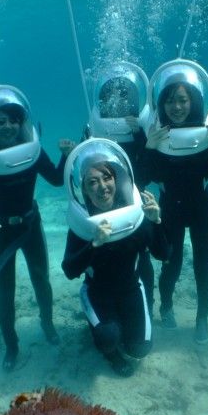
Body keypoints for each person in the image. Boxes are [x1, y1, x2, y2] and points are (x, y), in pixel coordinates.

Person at [0, 97, 76, 371]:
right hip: (1, 230)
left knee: (41, 280)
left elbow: (56, 179)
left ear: (21, 123)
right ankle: (12, 346)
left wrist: (65, 154)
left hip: (30, 225)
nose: (7, 127)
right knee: (5, 290)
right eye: (0, 122)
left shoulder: (33, 153)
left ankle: (47, 326)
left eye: (12, 121)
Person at [141, 74, 208, 344]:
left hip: (202, 210)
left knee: (204, 266)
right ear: (161, 105)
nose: (176, 107)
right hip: (170, 210)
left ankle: (201, 319)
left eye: (182, 100)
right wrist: (149, 147)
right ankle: (166, 307)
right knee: (172, 264)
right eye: (169, 101)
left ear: (194, 102)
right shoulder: (157, 134)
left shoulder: (206, 133)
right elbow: (140, 179)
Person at [62, 155, 170, 377]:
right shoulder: (83, 224)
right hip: (97, 292)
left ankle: (115, 324)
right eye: (92, 182)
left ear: (118, 179)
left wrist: (156, 222)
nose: (102, 187)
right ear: (83, 189)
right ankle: (107, 346)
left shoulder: (135, 215)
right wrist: (94, 244)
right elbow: (69, 270)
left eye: (107, 177)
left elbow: (164, 254)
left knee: (140, 349)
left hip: (131, 288)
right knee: (108, 338)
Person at [88, 65, 156, 314]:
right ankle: (106, 306)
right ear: (101, 101)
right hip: (104, 207)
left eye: (124, 97)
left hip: (135, 207)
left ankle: (146, 305)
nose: (117, 104)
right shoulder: (93, 131)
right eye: (109, 98)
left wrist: (139, 134)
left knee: (142, 257)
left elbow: (145, 174)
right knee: (104, 256)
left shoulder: (141, 132)